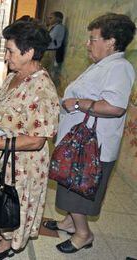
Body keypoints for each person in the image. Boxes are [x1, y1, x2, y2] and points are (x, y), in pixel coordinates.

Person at [43, 13, 136, 254]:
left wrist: (76, 103)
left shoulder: (119, 67)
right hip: (79, 142)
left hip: (92, 146)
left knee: (78, 189)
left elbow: (115, 107)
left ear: (111, 42)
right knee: (71, 184)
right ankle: (69, 223)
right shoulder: (104, 65)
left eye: (93, 39)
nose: (88, 43)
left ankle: (83, 234)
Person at [0, 20, 60, 260]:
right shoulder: (14, 76)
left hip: (22, 165)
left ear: (28, 52)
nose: (6, 56)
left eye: (10, 50)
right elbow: (9, 109)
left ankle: (7, 244)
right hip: (1, 154)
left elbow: (36, 141)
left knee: (10, 200)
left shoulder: (42, 89)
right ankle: (1, 233)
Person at [42, 11, 67, 86]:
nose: (49, 19)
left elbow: (49, 38)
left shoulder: (59, 27)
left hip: (52, 51)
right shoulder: (54, 27)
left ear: (58, 18)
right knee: (46, 70)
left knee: (48, 71)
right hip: (49, 50)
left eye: (51, 18)